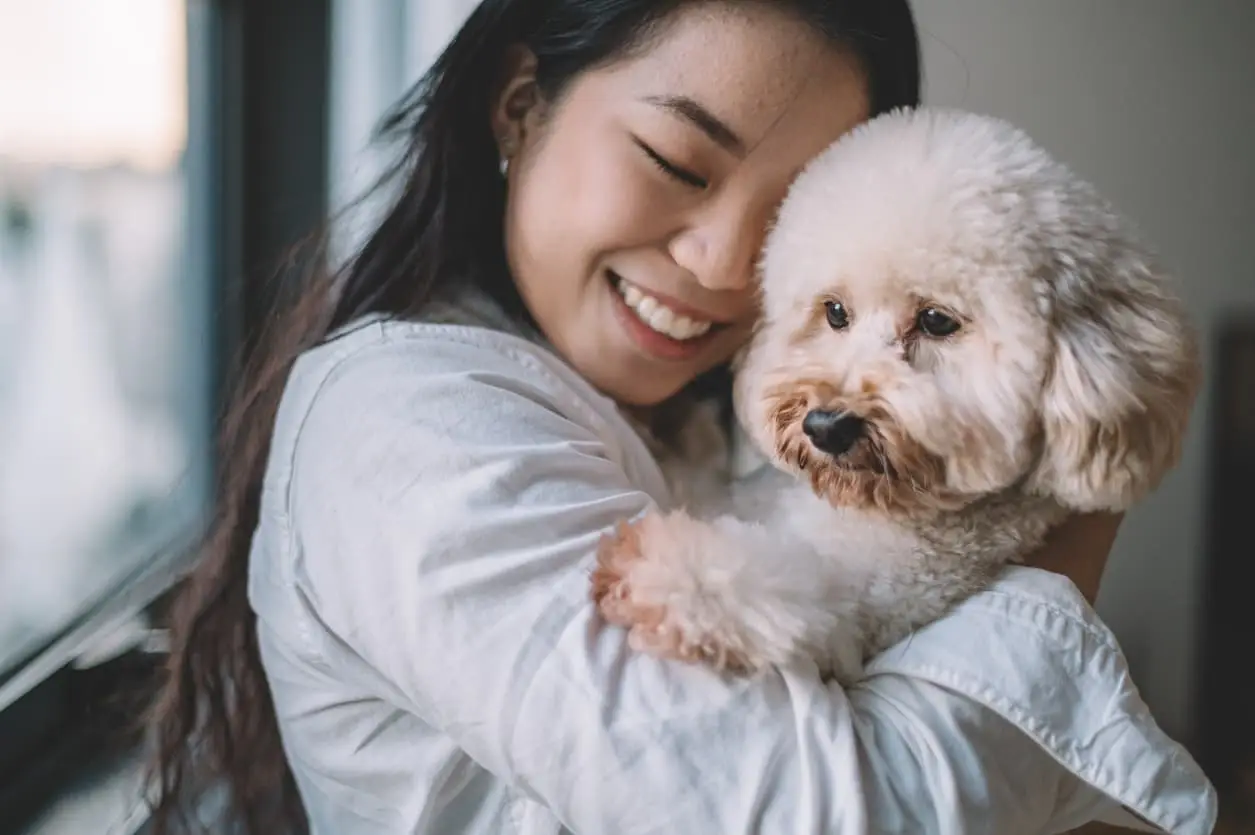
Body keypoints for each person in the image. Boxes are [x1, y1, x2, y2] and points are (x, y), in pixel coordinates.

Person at [147, 0, 1218, 832]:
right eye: (674, 162)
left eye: (785, 214)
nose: (718, 264)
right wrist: (1066, 541)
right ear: (521, 102)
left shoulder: (691, 431)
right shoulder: (408, 430)